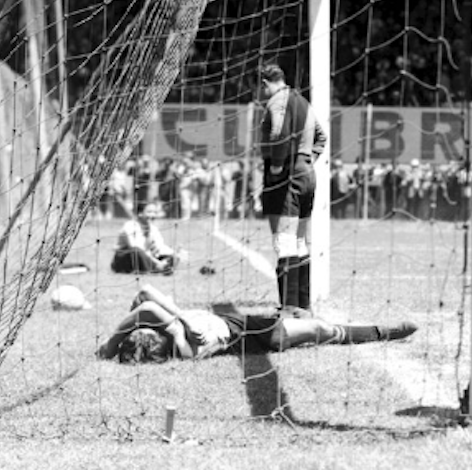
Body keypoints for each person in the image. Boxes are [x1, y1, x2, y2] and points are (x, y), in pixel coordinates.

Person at [96, 284, 418, 363]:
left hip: (242, 322)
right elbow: (148, 303)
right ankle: (384, 332)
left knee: (302, 318)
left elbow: (144, 296)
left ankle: (300, 316)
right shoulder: (185, 339)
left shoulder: (177, 326)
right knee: (322, 330)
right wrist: (110, 345)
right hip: (257, 335)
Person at [256, 63, 327, 317]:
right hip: (307, 174)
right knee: (300, 240)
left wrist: (276, 167)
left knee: (283, 241)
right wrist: (307, 159)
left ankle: (287, 308)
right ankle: (303, 306)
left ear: (265, 83)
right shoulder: (304, 101)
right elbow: (322, 136)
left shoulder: (277, 101)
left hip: (286, 176)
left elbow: (279, 132)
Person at [110, 202, 182, 275]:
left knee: (171, 257)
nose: (153, 215)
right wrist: (157, 262)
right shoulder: (130, 226)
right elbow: (137, 247)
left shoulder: (153, 228)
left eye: (155, 212)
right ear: (140, 213)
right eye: (149, 212)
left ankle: (160, 268)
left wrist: (174, 253)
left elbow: (160, 246)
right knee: (137, 251)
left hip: (147, 257)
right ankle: (157, 268)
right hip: (125, 259)